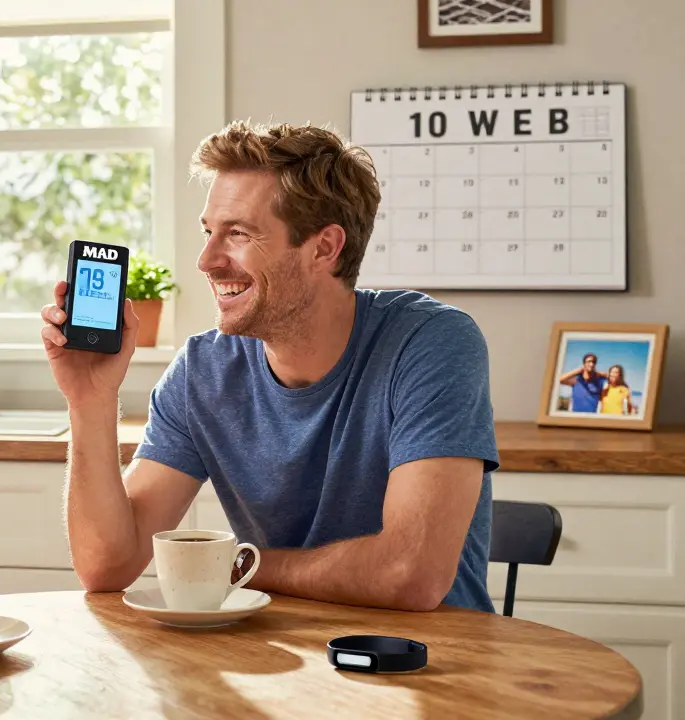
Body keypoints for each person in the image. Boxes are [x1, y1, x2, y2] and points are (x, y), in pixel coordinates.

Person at [42, 121, 499, 613]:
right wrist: (90, 400)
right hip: (275, 660)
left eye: (237, 234)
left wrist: (238, 566)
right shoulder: (204, 370)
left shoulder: (429, 343)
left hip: (427, 664)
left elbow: (408, 575)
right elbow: (107, 567)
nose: (206, 260)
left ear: (324, 247)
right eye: (208, 232)